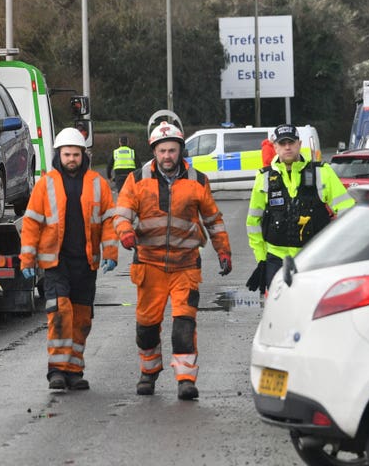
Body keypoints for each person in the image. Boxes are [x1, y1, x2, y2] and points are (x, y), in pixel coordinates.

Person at [111, 121, 231, 401]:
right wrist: (125, 232)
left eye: (172, 150)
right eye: (162, 151)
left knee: (184, 326)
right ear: (154, 151)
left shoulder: (198, 180)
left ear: (181, 151)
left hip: (185, 266)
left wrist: (223, 250)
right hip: (149, 266)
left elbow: (213, 219)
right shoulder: (137, 179)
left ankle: (185, 379)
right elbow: (122, 213)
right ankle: (148, 373)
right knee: (147, 328)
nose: (167, 156)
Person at [20, 127, 119, 391]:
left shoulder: (98, 183)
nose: (72, 159)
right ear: (58, 155)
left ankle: (74, 370)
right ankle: (57, 371)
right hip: (55, 263)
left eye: (76, 154)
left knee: (82, 318)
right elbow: (31, 223)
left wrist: (110, 252)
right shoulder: (46, 184)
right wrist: (27, 259)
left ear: (83, 155)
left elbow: (109, 220)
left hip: (86, 263)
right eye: (67, 154)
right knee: (60, 314)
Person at [246, 124, 354, 294]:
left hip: (314, 258)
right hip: (276, 259)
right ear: (275, 147)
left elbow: (348, 211)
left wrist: (337, 250)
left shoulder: (322, 173)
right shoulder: (264, 178)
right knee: (279, 313)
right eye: (282, 143)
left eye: (291, 142)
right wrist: (261, 259)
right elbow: (253, 222)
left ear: (299, 144)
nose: (287, 147)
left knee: (312, 311)